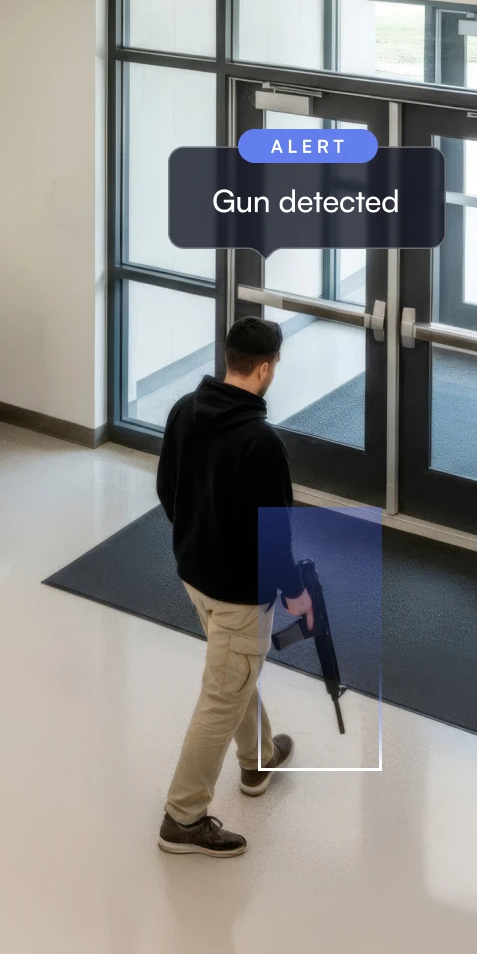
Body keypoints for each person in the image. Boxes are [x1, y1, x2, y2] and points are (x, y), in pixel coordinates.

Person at [155, 317, 313, 858]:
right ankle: (184, 816)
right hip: (238, 594)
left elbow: (166, 489)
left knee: (233, 669)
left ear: (229, 359)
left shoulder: (183, 410)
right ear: (266, 368)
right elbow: (276, 537)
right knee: (223, 693)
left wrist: (197, 536)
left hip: (192, 574)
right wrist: (294, 593)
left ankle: (259, 759)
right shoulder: (261, 442)